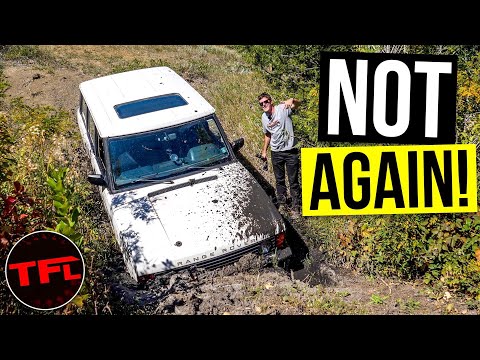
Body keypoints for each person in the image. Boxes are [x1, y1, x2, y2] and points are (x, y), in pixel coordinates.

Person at [258, 92, 302, 218]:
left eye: (266, 102)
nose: (264, 105)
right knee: (279, 180)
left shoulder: (282, 109)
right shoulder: (264, 117)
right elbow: (267, 135)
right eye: (261, 104)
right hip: (276, 152)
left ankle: (296, 207)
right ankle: (282, 204)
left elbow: (298, 105)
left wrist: (292, 99)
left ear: (271, 101)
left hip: (290, 151)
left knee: (293, 181)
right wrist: (264, 151)